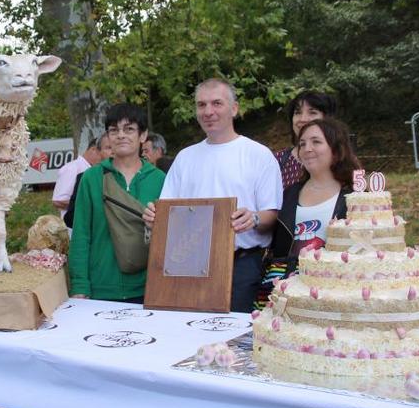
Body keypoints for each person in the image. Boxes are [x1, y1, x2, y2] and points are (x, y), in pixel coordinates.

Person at [143, 78, 283, 313]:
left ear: (234, 108)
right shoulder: (185, 158)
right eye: (201, 105)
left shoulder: (259, 155)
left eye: (217, 103)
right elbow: (167, 213)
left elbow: (272, 214)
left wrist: (254, 218)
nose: (208, 111)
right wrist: (154, 217)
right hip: (186, 265)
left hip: (241, 265)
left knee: (234, 342)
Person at [69, 103, 165, 302]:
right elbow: (81, 234)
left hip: (148, 288)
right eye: (114, 130)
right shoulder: (92, 178)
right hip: (101, 287)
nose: (121, 135)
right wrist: (80, 286)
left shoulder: (160, 180)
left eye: (129, 129)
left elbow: (171, 237)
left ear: (143, 136)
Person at [267, 117, 361, 283]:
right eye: (302, 144)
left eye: (316, 142)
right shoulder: (288, 194)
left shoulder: (356, 198)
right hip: (287, 290)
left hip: (337, 287)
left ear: (337, 150)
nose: (307, 149)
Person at [275, 91, 337, 189]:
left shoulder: (342, 159)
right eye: (297, 113)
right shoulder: (277, 161)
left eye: (312, 112)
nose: (303, 119)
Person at [52, 135, 111, 217]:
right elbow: (58, 201)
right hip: (73, 226)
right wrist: (91, 205)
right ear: (93, 149)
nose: (104, 157)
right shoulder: (72, 168)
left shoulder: (95, 170)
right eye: (103, 151)